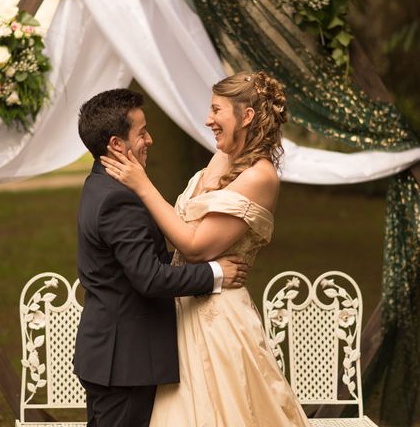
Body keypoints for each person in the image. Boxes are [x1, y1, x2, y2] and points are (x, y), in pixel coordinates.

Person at [100, 72, 311, 426]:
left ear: (245, 117)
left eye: (216, 110)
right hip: (182, 307)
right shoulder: (222, 158)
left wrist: (142, 185)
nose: (207, 119)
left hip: (219, 318)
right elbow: (179, 226)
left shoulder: (260, 176)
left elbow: (195, 246)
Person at [74, 88, 250, 427]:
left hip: (113, 357)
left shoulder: (101, 185)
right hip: (124, 362)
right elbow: (149, 278)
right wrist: (215, 274)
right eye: (142, 132)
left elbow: (132, 261)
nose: (150, 140)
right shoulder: (117, 201)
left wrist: (189, 257)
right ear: (116, 144)